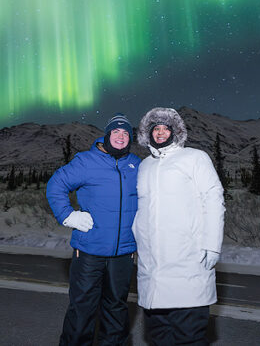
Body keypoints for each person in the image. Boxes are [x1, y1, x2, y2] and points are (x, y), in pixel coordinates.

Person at [132, 107, 225, 346]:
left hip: (187, 263)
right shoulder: (145, 166)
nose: (161, 133)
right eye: (156, 129)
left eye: (166, 128)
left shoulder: (195, 158)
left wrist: (212, 245)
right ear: (148, 133)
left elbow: (214, 200)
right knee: (158, 337)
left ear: (176, 132)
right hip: (152, 269)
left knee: (189, 336)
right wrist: (137, 240)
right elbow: (141, 211)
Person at [46, 114, 141, 346]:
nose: (121, 136)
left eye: (126, 133)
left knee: (117, 309)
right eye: (116, 132)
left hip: (124, 253)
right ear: (107, 135)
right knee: (82, 309)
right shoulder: (87, 161)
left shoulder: (136, 164)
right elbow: (56, 184)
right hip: (90, 251)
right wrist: (67, 215)